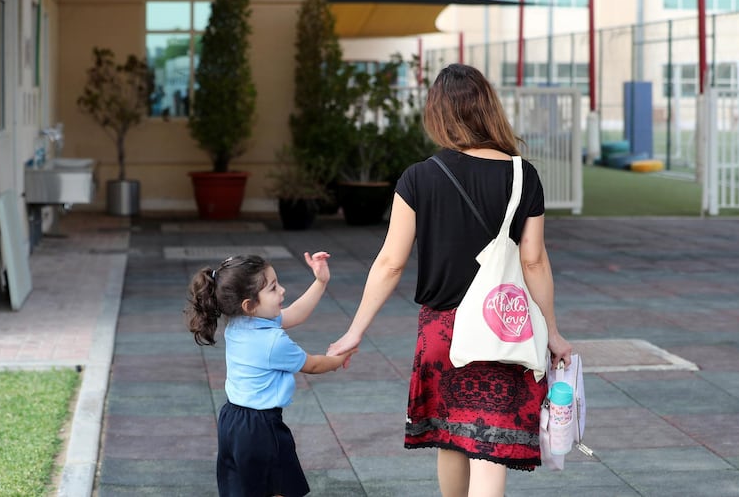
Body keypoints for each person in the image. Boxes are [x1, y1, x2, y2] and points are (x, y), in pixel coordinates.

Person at [327, 63, 573, 497]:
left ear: (438, 113)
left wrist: (354, 331)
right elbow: (533, 262)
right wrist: (552, 331)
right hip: (504, 325)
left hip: (443, 331)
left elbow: (389, 262)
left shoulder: (419, 177)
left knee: (452, 438)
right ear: (487, 109)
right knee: (488, 450)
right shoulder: (523, 175)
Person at [185, 252, 355, 497]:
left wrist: (320, 281)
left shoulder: (239, 323)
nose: (283, 291)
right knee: (278, 489)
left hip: (231, 421)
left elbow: (295, 312)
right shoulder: (272, 341)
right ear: (250, 305)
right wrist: (339, 357)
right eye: (273, 288)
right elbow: (313, 365)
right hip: (261, 428)